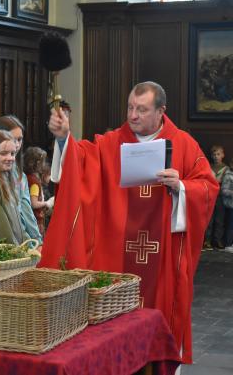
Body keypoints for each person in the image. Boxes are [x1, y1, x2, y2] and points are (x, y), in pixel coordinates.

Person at [40, 81, 218, 364]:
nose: (133, 115)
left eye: (142, 110)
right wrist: (64, 139)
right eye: (130, 108)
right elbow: (80, 161)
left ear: (161, 111)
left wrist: (181, 187)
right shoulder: (111, 143)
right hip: (116, 253)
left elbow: (207, 187)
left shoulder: (183, 144)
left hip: (163, 254)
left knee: (160, 312)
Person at [0, 115, 42, 242]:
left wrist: (37, 240)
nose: (17, 145)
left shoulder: (19, 171)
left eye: (19, 139)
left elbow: (25, 208)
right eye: (12, 139)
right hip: (7, 240)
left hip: (24, 237)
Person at [23, 146, 54, 236]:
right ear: (37, 163)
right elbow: (34, 203)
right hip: (36, 220)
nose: (44, 165)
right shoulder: (34, 182)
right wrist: (47, 202)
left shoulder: (26, 176)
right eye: (43, 162)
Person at [203, 145, 228, 250]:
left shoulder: (226, 168)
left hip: (221, 197)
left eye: (218, 154)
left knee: (219, 220)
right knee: (209, 220)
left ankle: (217, 240)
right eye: (214, 154)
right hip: (210, 196)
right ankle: (207, 240)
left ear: (223, 155)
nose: (216, 156)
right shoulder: (208, 166)